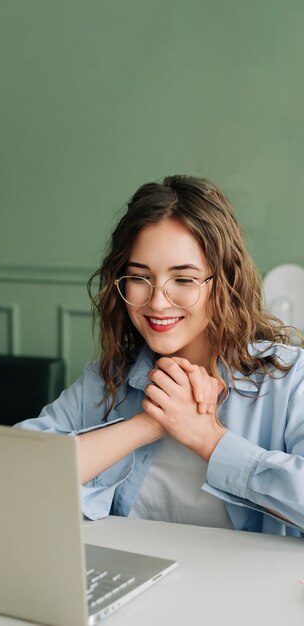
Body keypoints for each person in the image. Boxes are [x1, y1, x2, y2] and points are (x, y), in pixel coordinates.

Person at [16, 174, 304, 536]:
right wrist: (149, 423)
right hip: (130, 584)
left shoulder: (290, 379)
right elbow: (14, 476)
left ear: (225, 281)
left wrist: (206, 437)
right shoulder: (107, 380)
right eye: (139, 277)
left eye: (183, 279)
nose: (156, 302)